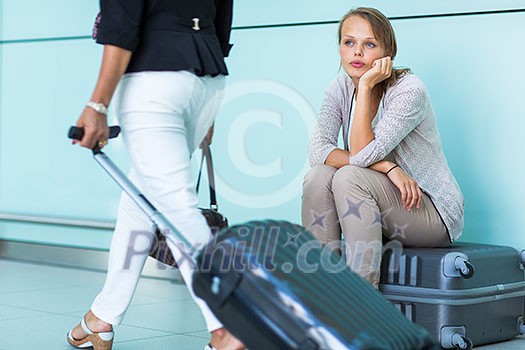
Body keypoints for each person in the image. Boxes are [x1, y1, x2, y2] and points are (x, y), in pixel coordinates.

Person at [66, 1, 244, 350]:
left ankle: (225, 326)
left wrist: (97, 105)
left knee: (173, 205)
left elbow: (121, 23)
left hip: (154, 78)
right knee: (141, 196)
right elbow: (222, 19)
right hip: (207, 78)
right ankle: (103, 315)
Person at [302, 7, 464, 288]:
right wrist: (389, 168)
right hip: (382, 201)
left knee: (348, 176)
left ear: (388, 51)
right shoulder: (339, 87)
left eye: (369, 44)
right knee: (318, 176)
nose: (357, 53)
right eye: (349, 42)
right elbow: (318, 151)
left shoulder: (409, 89)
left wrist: (364, 88)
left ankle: (361, 306)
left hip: (430, 212)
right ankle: (319, 296)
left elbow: (363, 156)